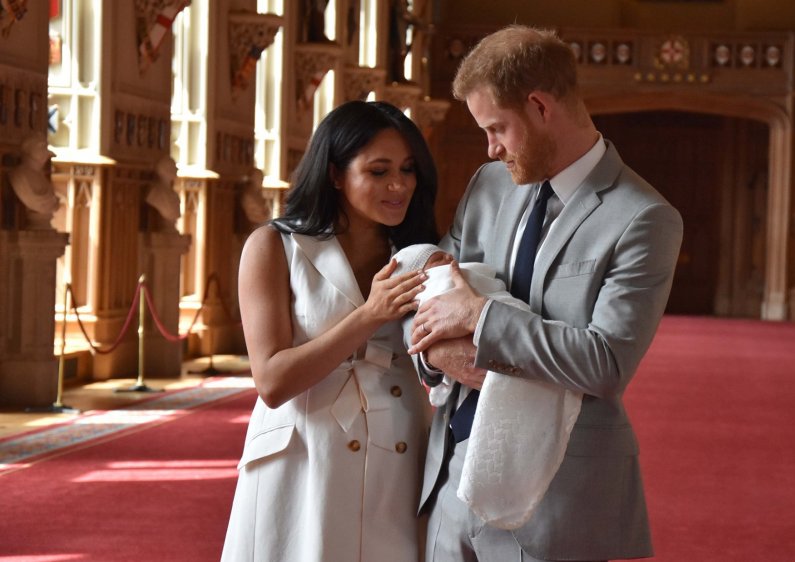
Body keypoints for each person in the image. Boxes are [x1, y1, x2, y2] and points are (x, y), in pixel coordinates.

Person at [407, 25, 684, 562]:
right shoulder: (488, 185)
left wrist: (480, 315)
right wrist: (441, 354)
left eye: (497, 128)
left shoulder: (644, 217)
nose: (490, 147)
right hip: (451, 473)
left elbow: (604, 361)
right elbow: (425, 289)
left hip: (558, 497)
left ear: (538, 106)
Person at [221, 100, 438, 562]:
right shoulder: (275, 246)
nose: (398, 185)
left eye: (407, 169)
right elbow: (272, 382)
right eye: (378, 171)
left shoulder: (422, 254)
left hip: (400, 457)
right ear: (336, 173)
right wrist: (369, 315)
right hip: (304, 460)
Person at [392, 243, 582, 530]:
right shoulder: (476, 201)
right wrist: (432, 349)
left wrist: (480, 313)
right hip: (450, 462)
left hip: (543, 353)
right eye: (437, 260)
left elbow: (608, 361)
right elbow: (409, 306)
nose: (448, 259)